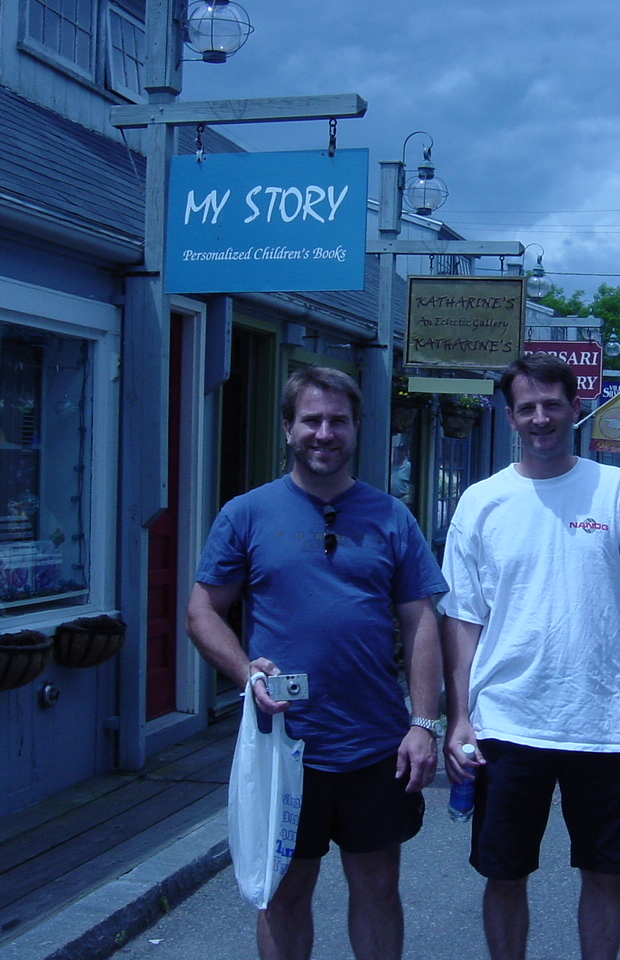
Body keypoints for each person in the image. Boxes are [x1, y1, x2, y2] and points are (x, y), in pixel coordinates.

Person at [186, 367, 447, 960]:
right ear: (288, 428)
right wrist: (246, 672)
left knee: (377, 886)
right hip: (283, 745)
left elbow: (420, 621)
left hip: (375, 743)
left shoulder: (391, 517)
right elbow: (202, 612)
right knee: (283, 892)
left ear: (356, 428)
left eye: (337, 421)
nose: (324, 433)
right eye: (311, 420)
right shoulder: (246, 514)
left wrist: (423, 722)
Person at [439, 354, 620, 960]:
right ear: (510, 417)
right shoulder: (481, 501)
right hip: (507, 721)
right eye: (527, 407)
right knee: (503, 874)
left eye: (552, 405)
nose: (540, 418)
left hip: (603, 721)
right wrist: (459, 716)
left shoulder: (614, 489)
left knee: (604, 873)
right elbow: (463, 618)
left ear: (575, 409)